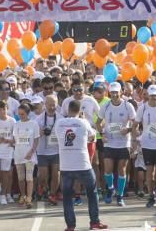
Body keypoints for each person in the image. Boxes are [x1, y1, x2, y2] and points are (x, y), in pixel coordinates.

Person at [56, 99, 108, 231]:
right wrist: (82, 120)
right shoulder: (83, 122)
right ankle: (94, 222)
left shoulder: (59, 123)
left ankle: (70, 226)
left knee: (67, 196)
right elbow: (92, 137)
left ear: (68, 110)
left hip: (66, 165)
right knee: (92, 192)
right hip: (82, 163)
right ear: (79, 111)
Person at [97, 82, 136, 207]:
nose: (114, 94)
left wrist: (128, 130)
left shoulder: (127, 106)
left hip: (124, 142)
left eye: (116, 92)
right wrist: (102, 134)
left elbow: (136, 123)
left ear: (121, 92)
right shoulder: (106, 106)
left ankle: (119, 196)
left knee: (122, 170)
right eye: (112, 92)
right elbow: (98, 122)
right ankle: (110, 188)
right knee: (107, 170)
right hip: (109, 142)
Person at [135, 84, 156, 209]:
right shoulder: (142, 108)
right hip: (146, 144)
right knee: (149, 172)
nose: (154, 98)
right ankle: (151, 196)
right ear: (148, 96)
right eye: (152, 96)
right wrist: (137, 136)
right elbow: (135, 124)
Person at [34, 95, 61, 205]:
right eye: (49, 105)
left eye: (54, 105)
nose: (52, 107)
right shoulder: (38, 119)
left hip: (56, 151)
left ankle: (53, 194)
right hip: (42, 151)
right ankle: (42, 188)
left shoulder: (61, 118)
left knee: (56, 174)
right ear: (45, 105)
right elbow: (34, 134)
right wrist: (40, 132)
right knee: (43, 177)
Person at [13, 103, 39, 209]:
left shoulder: (34, 124)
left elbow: (36, 139)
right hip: (18, 154)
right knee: (20, 178)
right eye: (19, 114)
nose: (20, 116)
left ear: (28, 113)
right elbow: (15, 139)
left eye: (23, 114)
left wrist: (32, 151)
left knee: (29, 178)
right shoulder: (16, 124)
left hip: (30, 156)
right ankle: (22, 195)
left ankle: (29, 198)